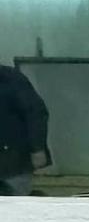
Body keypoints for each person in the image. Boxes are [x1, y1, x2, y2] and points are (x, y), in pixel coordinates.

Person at [0, 64, 51, 196]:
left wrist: (37, 148)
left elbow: (35, 112)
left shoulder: (10, 78)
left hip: (12, 162)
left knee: (15, 204)